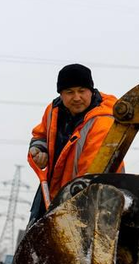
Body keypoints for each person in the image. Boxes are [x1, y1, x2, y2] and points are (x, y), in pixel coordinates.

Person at [27, 63, 121, 223]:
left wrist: (71, 209)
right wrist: (38, 149)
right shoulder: (53, 110)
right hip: (50, 195)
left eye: (81, 91)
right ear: (61, 94)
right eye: (69, 92)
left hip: (90, 202)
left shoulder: (103, 121)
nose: (76, 97)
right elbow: (40, 135)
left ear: (91, 91)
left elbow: (91, 174)